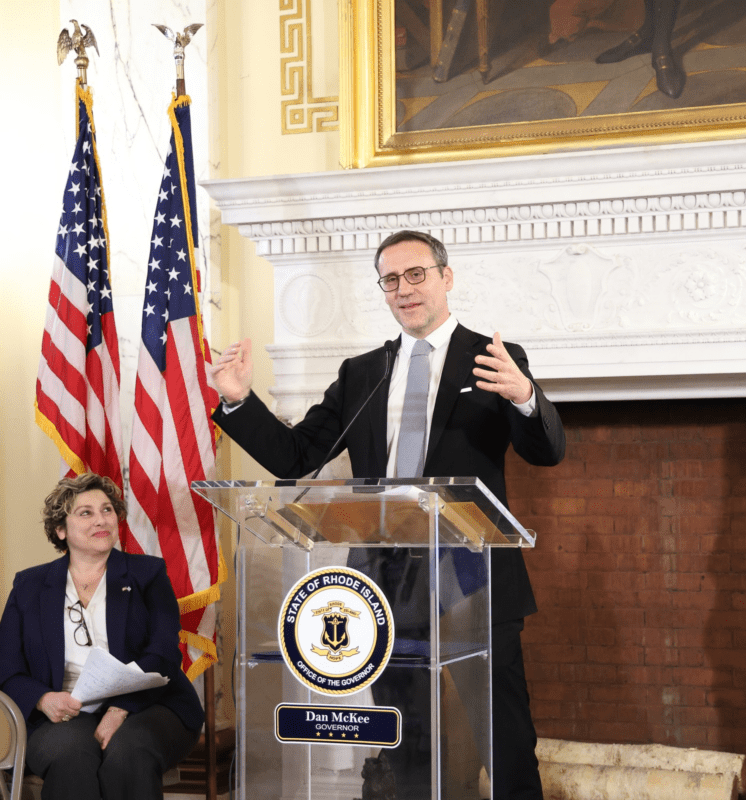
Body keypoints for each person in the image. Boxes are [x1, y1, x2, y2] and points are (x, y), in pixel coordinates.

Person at [211, 229, 566, 800]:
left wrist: (525, 396)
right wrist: (237, 400)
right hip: (385, 579)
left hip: (471, 574)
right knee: (407, 740)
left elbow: (546, 452)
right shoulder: (363, 372)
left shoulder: (492, 359)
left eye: (416, 274)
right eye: (391, 280)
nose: (404, 289)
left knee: (502, 734)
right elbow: (295, 457)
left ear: (446, 278)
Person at [0, 473, 204, 800]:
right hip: (65, 709)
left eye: (107, 510)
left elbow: (164, 653)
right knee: (70, 756)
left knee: (129, 753)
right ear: (61, 530)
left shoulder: (147, 574)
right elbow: (6, 665)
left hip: (150, 704)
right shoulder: (29, 585)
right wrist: (43, 699)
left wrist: (120, 708)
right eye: (86, 513)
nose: (101, 519)